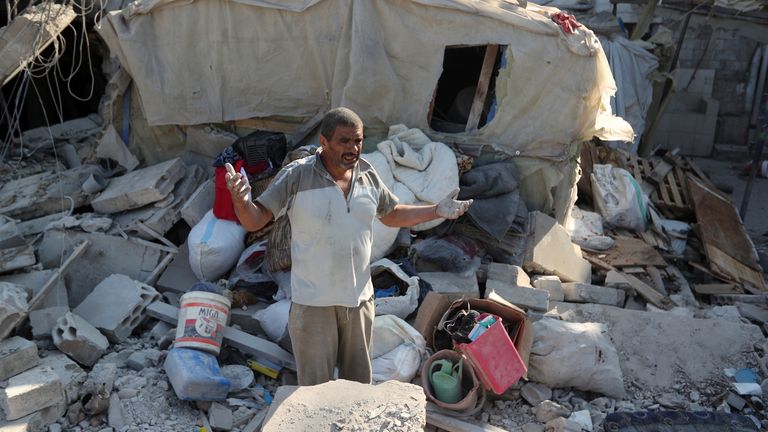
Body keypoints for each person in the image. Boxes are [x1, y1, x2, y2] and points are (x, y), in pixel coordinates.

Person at [225, 107, 472, 386]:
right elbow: (255, 219)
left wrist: (437, 210)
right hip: (313, 304)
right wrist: (241, 201)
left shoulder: (367, 174)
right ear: (324, 142)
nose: (353, 148)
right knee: (315, 387)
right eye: (344, 141)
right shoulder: (297, 176)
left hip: (358, 302)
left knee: (357, 387)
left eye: (358, 140)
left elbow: (392, 215)